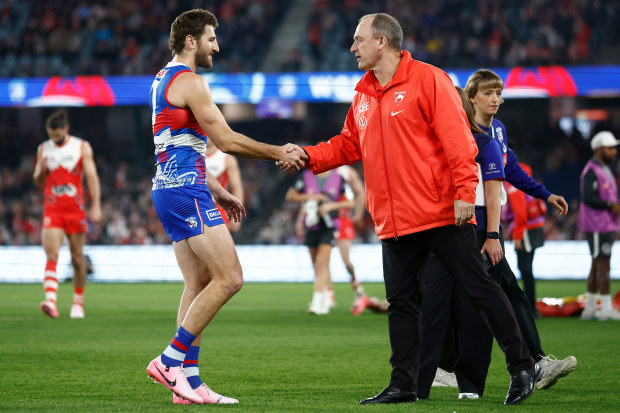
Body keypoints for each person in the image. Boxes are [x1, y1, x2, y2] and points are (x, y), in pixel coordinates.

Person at [280, 13, 541, 406]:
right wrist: (308, 155)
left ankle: (522, 368)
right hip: (393, 220)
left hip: (439, 212)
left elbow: (459, 144)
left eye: (358, 40)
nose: (352, 47)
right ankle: (404, 383)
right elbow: (348, 144)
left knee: (479, 287)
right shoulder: (364, 94)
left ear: (381, 42)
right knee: (401, 304)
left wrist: (464, 195)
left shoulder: (429, 79)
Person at [145, 9, 306, 405]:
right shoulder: (191, 82)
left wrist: (217, 188)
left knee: (197, 285)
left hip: (172, 186)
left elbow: (178, 145)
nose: (217, 46)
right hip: (186, 191)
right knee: (230, 278)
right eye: (211, 38)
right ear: (190, 41)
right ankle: (169, 361)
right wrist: (276, 152)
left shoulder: (161, 79)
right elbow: (227, 140)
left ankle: (189, 382)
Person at [33, 109, 101, 319]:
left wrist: (96, 204)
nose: (54, 138)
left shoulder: (81, 147)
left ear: (65, 129)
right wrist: (39, 170)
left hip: (75, 209)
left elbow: (91, 177)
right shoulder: (43, 149)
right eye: (50, 135)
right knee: (51, 254)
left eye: (57, 135)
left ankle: (77, 303)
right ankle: (51, 302)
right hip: (53, 209)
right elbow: (38, 182)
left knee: (77, 259)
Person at [287, 169, 354, 314]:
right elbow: (291, 196)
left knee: (322, 263)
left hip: (329, 226)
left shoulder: (339, 178)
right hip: (311, 225)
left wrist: (331, 206)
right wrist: (312, 196)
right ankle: (325, 295)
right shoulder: (306, 176)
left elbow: (350, 202)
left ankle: (317, 301)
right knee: (315, 264)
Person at [578, 131, 620, 321]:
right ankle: (604, 308)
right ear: (600, 149)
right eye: (610, 148)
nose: (614, 152)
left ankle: (590, 309)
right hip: (597, 225)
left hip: (603, 224)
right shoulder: (592, 170)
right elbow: (588, 197)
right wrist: (610, 205)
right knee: (603, 265)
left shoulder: (602, 168)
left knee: (597, 264)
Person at [503, 162, 547, 317]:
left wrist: (517, 236)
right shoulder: (524, 172)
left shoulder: (511, 179)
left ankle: (530, 309)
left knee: (525, 268)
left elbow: (520, 212)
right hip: (535, 226)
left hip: (525, 228)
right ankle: (531, 307)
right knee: (527, 268)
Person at [334, 165, 370, 315]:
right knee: (320, 260)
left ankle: (359, 291)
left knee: (346, 260)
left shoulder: (346, 172)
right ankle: (326, 294)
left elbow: (360, 193)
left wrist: (358, 214)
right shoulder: (319, 171)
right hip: (323, 219)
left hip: (341, 219)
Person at [205, 139, 244, 232]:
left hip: (219, 212)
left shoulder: (227, 159)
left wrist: (238, 217)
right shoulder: (191, 157)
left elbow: (237, 188)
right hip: (196, 210)